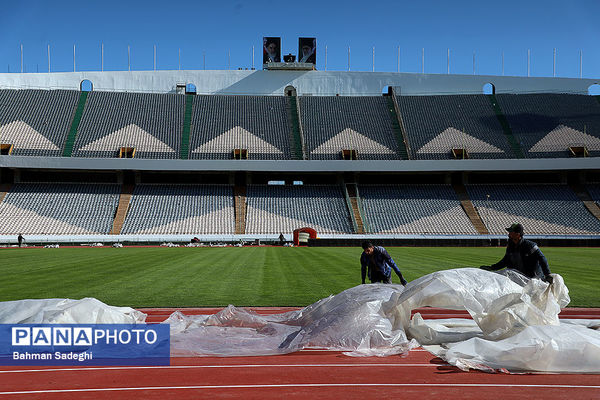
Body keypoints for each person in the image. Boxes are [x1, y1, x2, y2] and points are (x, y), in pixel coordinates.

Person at [480, 223, 553, 283]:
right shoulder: (511, 246)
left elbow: (542, 258)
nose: (509, 234)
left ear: (518, 234)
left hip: (533, 279)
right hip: (519, 277)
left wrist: (547, 274)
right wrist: (492, 267)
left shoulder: (530, 245)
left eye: (511, 232)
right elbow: (505, 261)